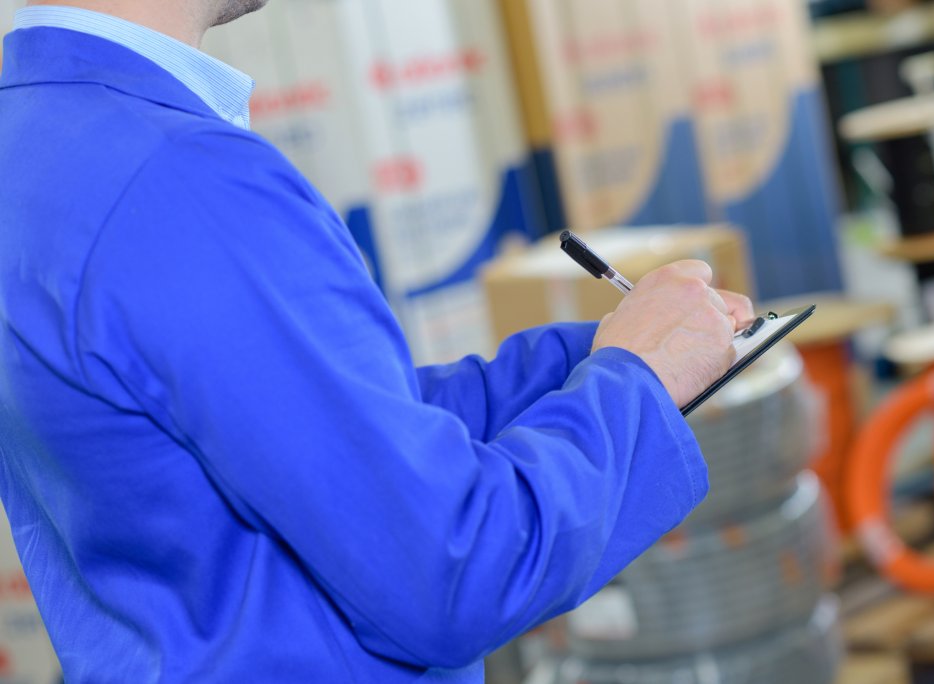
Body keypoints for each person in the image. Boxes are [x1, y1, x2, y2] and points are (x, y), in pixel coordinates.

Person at [0, 1, 754, 681]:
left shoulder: (33, 143)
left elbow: (314, 432)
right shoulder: (184, 181)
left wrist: (593, 356)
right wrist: (634, 383)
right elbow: (452, 570)